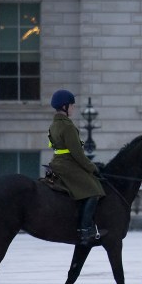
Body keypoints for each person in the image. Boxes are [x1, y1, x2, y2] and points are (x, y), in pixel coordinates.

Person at [48, 89, 106, 246]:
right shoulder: (67, 126)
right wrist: (92, 167)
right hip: (67, 164)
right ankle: (85, 229)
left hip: (57, 162)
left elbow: (53, 145)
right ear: (65, 106)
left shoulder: (54, 124)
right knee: (94, 189)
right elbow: (77, 154)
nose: (73, 109)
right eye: (72, 106)